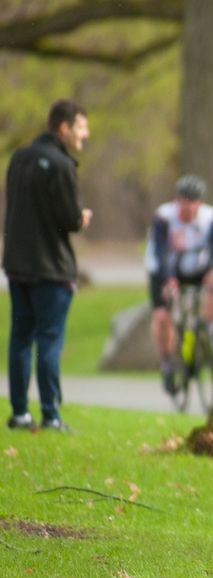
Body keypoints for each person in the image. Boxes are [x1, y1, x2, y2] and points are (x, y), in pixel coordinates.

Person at [3, 99, 93, 432]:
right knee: (50, 341)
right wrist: (81, 219)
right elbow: (67, 220)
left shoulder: (19, 158)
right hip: (52, 269)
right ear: (64, 128)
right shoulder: (62, 164)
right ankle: (51, 414)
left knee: (21, 339)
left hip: (18, 265)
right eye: (81, 127)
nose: (86, 134)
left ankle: (20, 413)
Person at [145, 175, 213, 394]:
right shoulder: (164, 216)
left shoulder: (210, 218)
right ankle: (167, 362)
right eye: (184, 200)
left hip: (196, 268)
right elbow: (160, 252)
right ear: (177, 200)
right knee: (163, 317)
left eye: (193, 201)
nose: (188, 206)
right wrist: (167, 279)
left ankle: (210, 330)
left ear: (200, 202)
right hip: (165, 269)